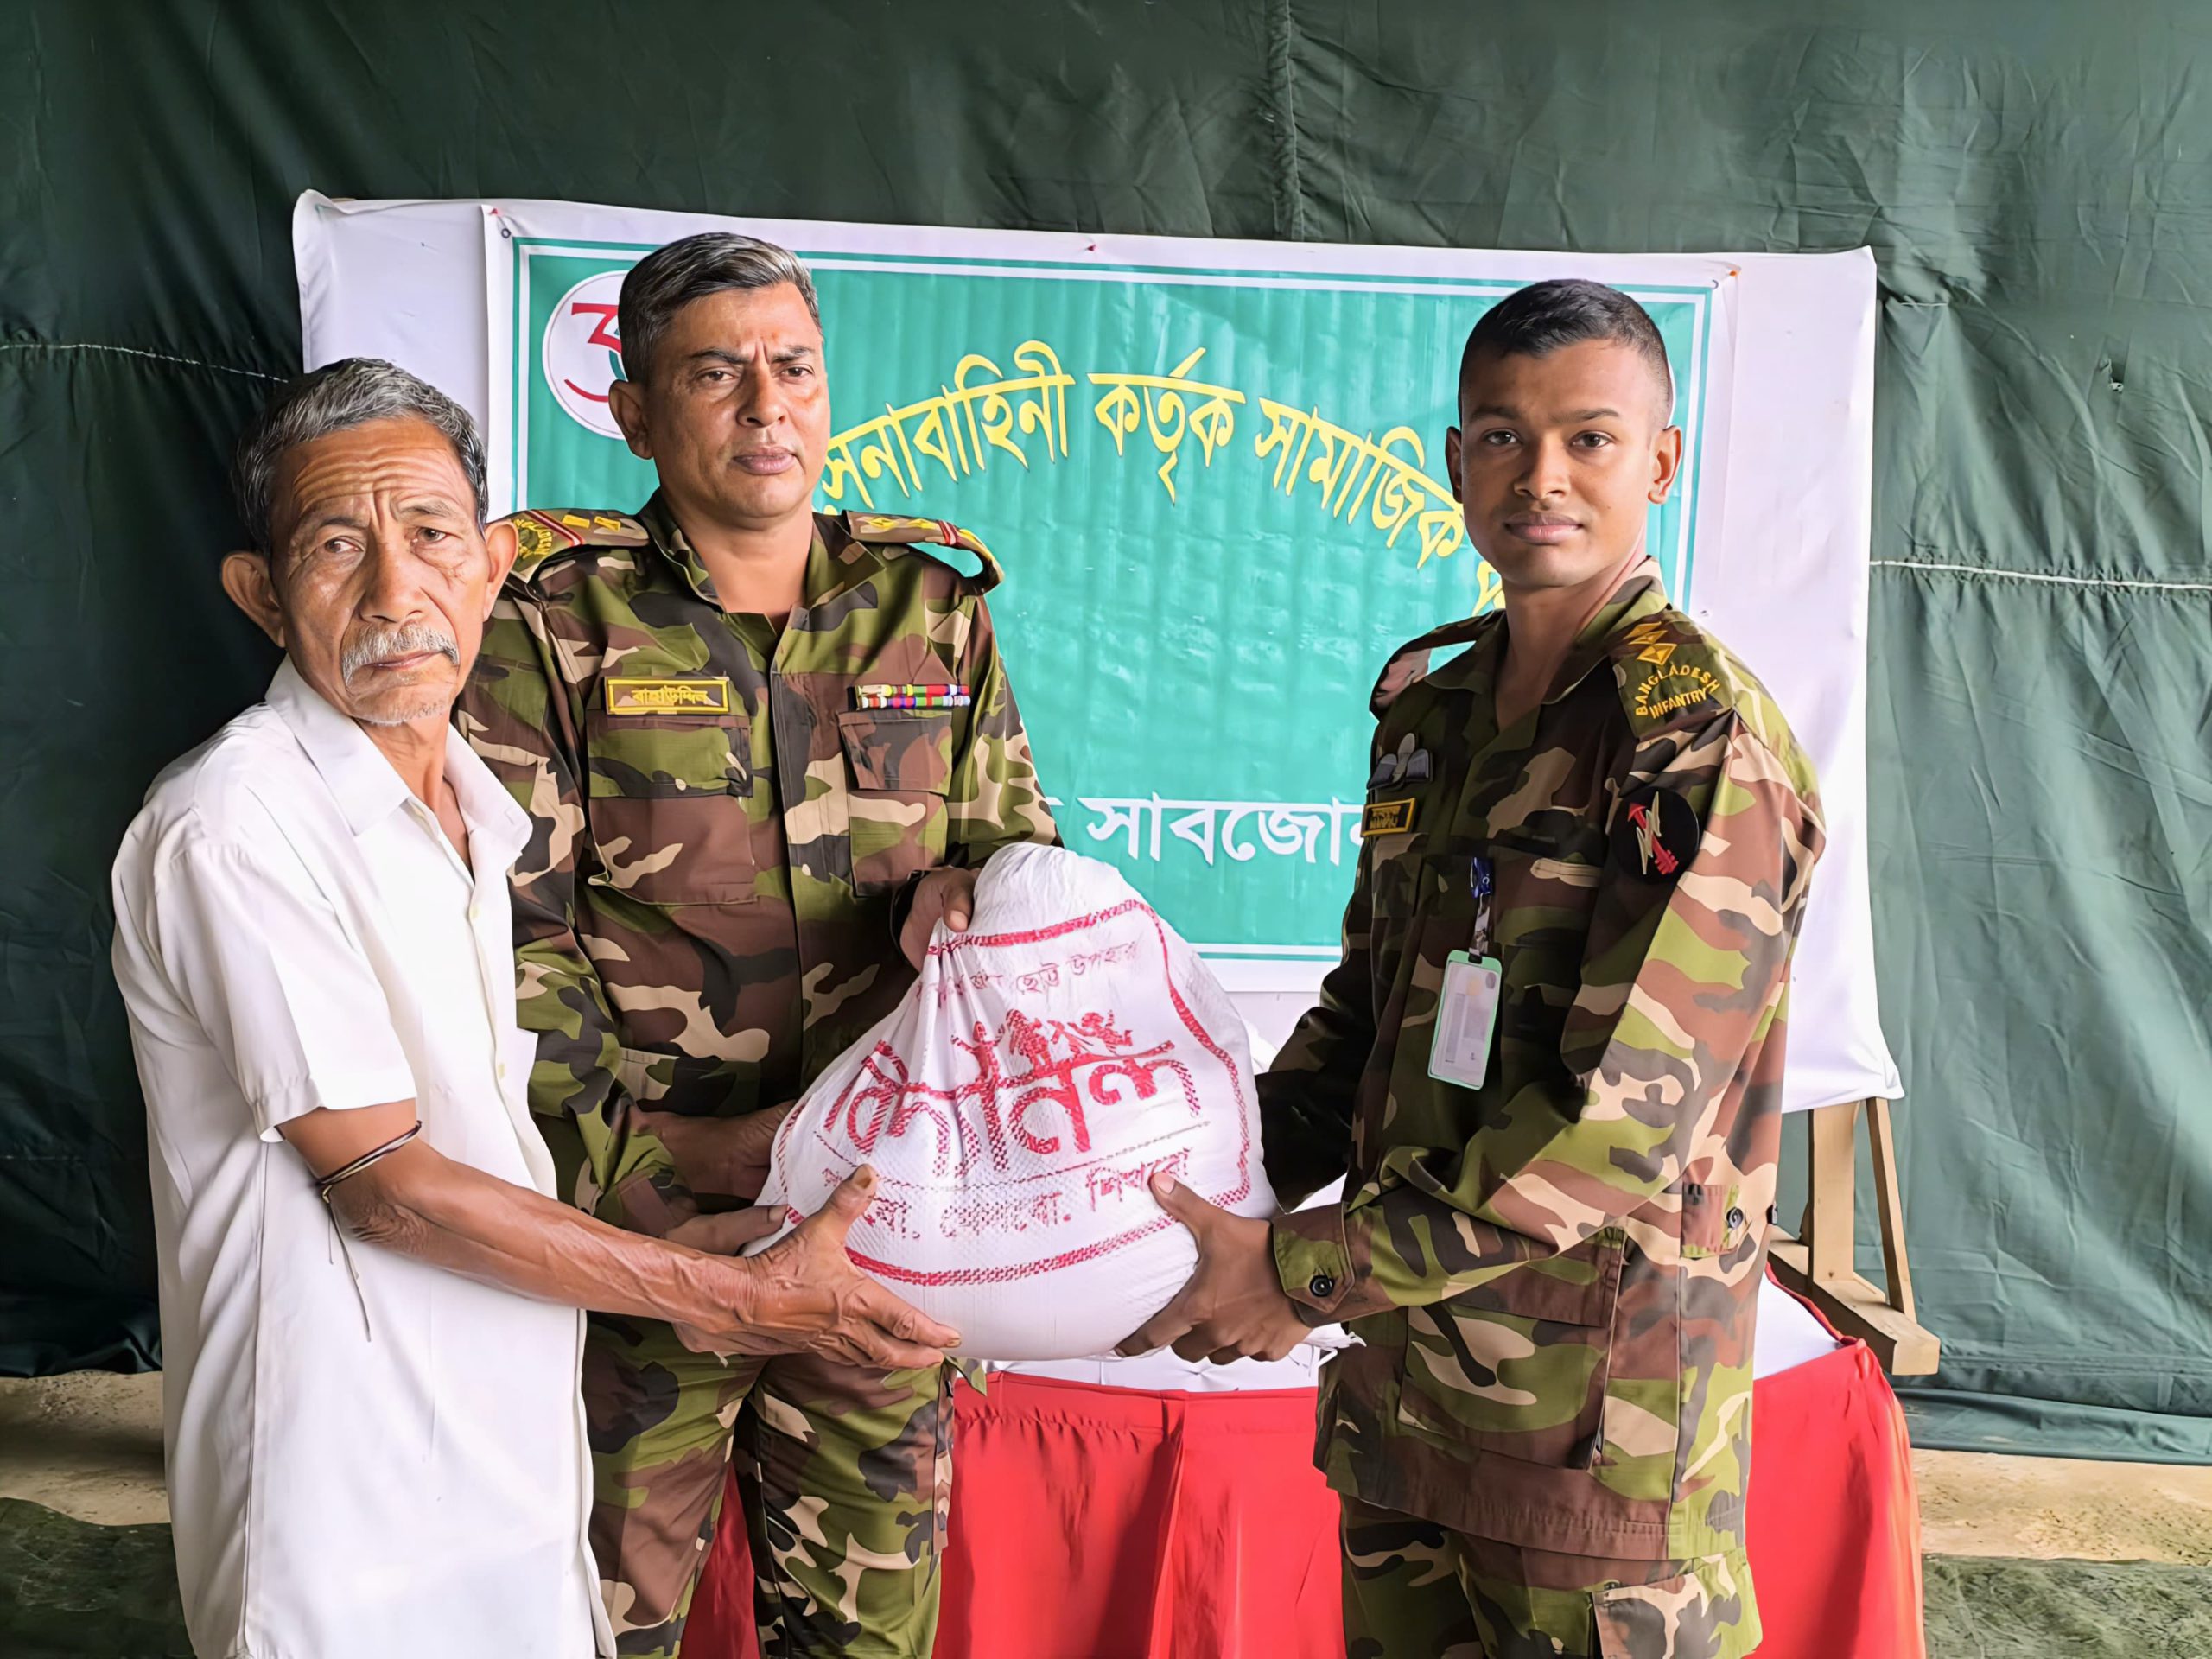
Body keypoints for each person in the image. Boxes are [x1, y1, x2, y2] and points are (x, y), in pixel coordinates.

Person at [109, 359, 956, 1659]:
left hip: (506, 1461)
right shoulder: (234, 824)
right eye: (339, 548)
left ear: (493, 565)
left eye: (432, 535)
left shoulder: (473, 805)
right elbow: (384, 1183)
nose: (398, 591)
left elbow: (473, 1131)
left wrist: (740, 1157)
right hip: (340, 1497)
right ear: (263, 598)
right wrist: (731, 1297)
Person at [1122, 279, 1826, 1659]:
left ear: (1660, 462)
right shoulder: (1434, 715)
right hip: (1407, 1402)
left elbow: (1617, 1128)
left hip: (1593, 1439)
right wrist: (1183, 1207)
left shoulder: (1693, 741)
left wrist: (1299, 1271)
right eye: (1502, 438)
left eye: (1591, 440)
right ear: (1455, 463)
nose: (1542, 478)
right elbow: (1366, 1017)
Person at [458, 232, 1058, 1658]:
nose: (765, 407)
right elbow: (508, 932)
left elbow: (1019, 864)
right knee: (595, 1631)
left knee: (860, 1639)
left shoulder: (933, 614)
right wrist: (647, 1177)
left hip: (875, 1226)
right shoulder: (548, 626)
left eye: (792, 369)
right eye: (715, 375)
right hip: (635, 1230)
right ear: (635, 414)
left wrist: (980, 888)